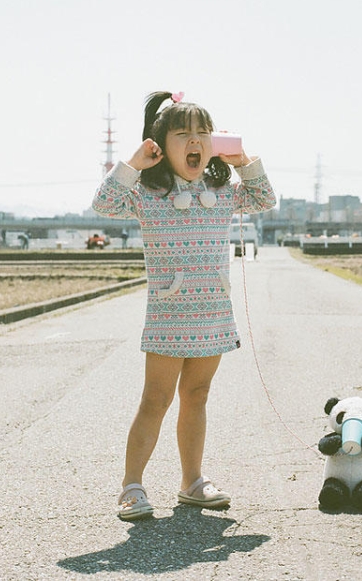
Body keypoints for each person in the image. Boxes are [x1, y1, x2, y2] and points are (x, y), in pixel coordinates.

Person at [92, 91, 276, 520]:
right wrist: (134, 164)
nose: (194, 141)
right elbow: (104, 204)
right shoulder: (147, 196)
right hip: (169, 314)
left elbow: (264, 198)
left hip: (212, 311)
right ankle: (132, 486)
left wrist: (243, 160)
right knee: (155, 399)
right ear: (160, 144)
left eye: (202, 133)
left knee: (198, 394)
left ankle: (192, 481)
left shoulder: (224, 191)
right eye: (182, 134)